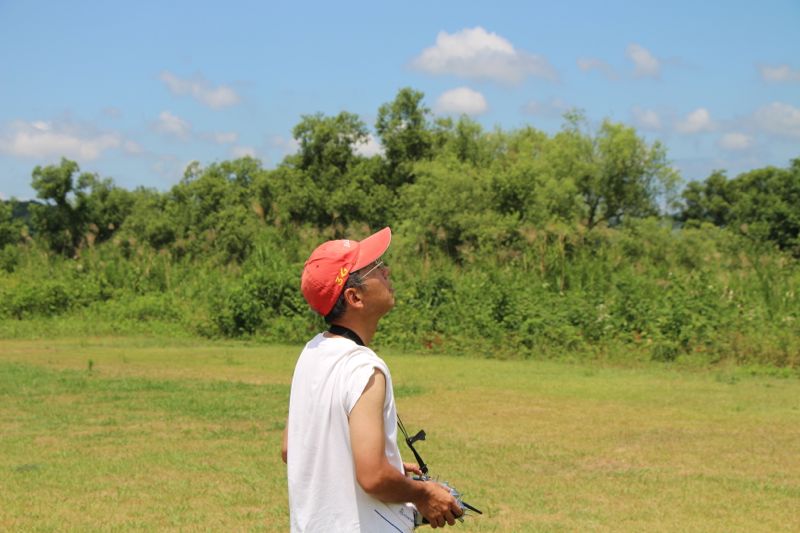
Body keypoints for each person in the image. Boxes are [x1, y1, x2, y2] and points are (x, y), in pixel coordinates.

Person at [282, 227, 463, 532]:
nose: (387, 270)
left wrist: (389, 466)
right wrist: (423, 493)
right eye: (375, 268)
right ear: (354, 297)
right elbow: (374, 477)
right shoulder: (364, 368)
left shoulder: (311, 353)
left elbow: (292, 448)